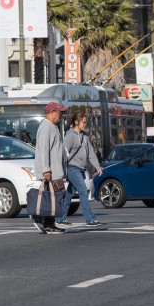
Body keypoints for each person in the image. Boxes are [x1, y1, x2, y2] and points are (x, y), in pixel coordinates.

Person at [57, 111, 103, 227]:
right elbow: (63, 154)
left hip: (81, 169)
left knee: (69, 195)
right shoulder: (70, 136)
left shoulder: (85, 137)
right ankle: (90, 219)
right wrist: (61, 172)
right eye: (83, 122)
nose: (85, 124)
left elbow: (91, 153)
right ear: (76, 122)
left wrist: (97, 166)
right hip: (73, 168)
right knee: (83, 191)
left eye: (86, 122)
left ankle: (60, 218)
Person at [32, 101, 68, 235]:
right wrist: (46, 169)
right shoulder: (46, 127)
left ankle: (49, 223)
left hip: (55, 170)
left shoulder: (52, 126)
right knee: (55, 196)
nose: (61, 115)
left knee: (54, 196)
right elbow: (43, 150)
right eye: (59, 113)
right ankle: (43, 220)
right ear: (51, 113)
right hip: (51, 171)